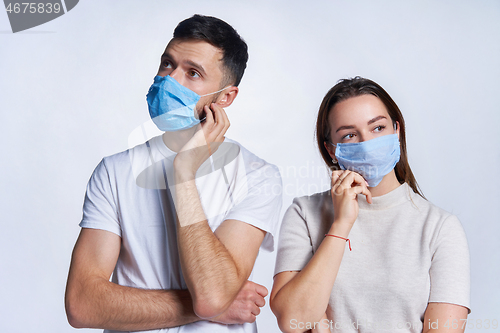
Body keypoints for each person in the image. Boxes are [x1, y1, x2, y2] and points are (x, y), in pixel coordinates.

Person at [65, 15, 282, 333]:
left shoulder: (258, 176)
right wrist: (201, 306)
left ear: (225, 97)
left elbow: (211, 297)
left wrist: (183, 172)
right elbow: (82, 305)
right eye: (167, 64)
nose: (170, 80)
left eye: (193, 73)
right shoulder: (114, 171)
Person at [270, 77, 470, 333]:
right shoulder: (305, 214)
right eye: (350, 135)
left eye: (377, 128)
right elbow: (292, 319)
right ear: (332, 150)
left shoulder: (440, 228)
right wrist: (341, 225)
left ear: (396, 131)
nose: (367, 143)